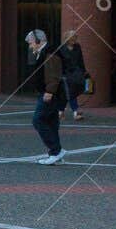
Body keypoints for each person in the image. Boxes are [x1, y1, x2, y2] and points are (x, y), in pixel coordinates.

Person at [25, 28, 67, 164]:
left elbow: (53, 74)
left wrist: (49, 91)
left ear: (39, 41)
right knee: (51, 122)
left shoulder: (49, 52)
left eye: (31, 43)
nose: (30, 45)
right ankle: (56, 154)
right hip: (52, 93)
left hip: (50, 94)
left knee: (38, 120)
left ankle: (56, 151)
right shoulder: (44, 52)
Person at [58, 31, 89, 121]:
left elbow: (80, 60)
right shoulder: (61, 48)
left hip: (76, 73)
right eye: (72, 39)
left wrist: (84, 71)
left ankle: (60, 112)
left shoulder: (77, 47)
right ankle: (76, 112)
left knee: (67, 93)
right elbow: (59, 62)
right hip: (65, 73)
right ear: (67, 39)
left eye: (75, 38)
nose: (74, 41)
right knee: (71, 92)